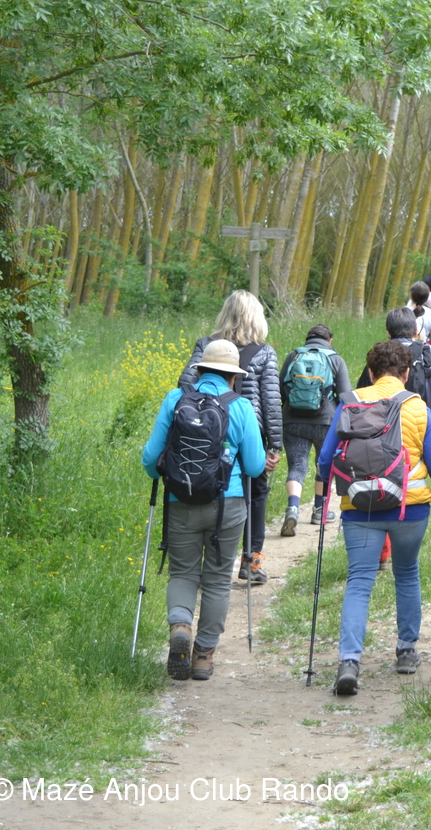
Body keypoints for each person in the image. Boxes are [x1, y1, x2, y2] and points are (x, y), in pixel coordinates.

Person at [317, 341, 431, 694]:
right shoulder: (417, 406)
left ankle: (349, 661)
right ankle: (406, 651)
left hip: (360, 506)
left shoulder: (350, 402)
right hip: (409, 508)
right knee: (407, 572)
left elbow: (325, 459)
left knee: (359, 580)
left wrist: (326, 492)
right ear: (406, 373)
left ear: (370, 372)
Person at [144, 339, 266, 681]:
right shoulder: (240, 406)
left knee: (183, 573)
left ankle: (180, 626)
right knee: (216, 579)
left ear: (199, 371)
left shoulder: (175, 400)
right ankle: (203, 656)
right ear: (233, 376)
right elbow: (255, 466)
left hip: (180, 502)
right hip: (228, 505)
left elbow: (151, 461)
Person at [179, 290, 281, 584]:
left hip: (205, 429)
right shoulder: (264, 353)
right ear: (256, 318)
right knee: (256, 494)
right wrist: (274, 445)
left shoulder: (206, 345)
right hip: (248, 431)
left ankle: (204, 560)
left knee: (207, 485)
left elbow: (185, 384)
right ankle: (251, 561)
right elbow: (271, 401)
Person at [278, 324, 353, 535]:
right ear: (330, 340)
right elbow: (345, 396)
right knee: (323, 465)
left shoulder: (293, 356)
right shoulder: (335, 359)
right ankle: (319, 510)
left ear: (307, 339)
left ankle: (293, 508)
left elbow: (280, 390)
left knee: (297, 466)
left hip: (293, 421)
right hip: (325, 422)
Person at [356, 308, 431, 458]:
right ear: (416, 332)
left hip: (380, 438)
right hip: (421, 428)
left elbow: (361, 398)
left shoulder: (378, 358)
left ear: (388, 333)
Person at [406, 281, 431, 348]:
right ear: (427, 297)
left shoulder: (400, 312)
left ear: (411, 296)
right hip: (422, 351)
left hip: (401, 349)